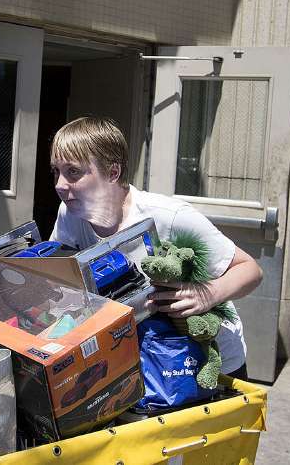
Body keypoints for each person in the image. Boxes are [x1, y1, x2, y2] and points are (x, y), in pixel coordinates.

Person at [47, 116, 264, 377]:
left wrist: (208, 293)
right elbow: (58, 277)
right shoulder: (69, 212)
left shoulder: (168, 216)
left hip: (211, 360)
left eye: (73, 171)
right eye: (56, 171)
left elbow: (250, 270)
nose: (59, 184)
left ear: (112, 173)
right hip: (149, 355)